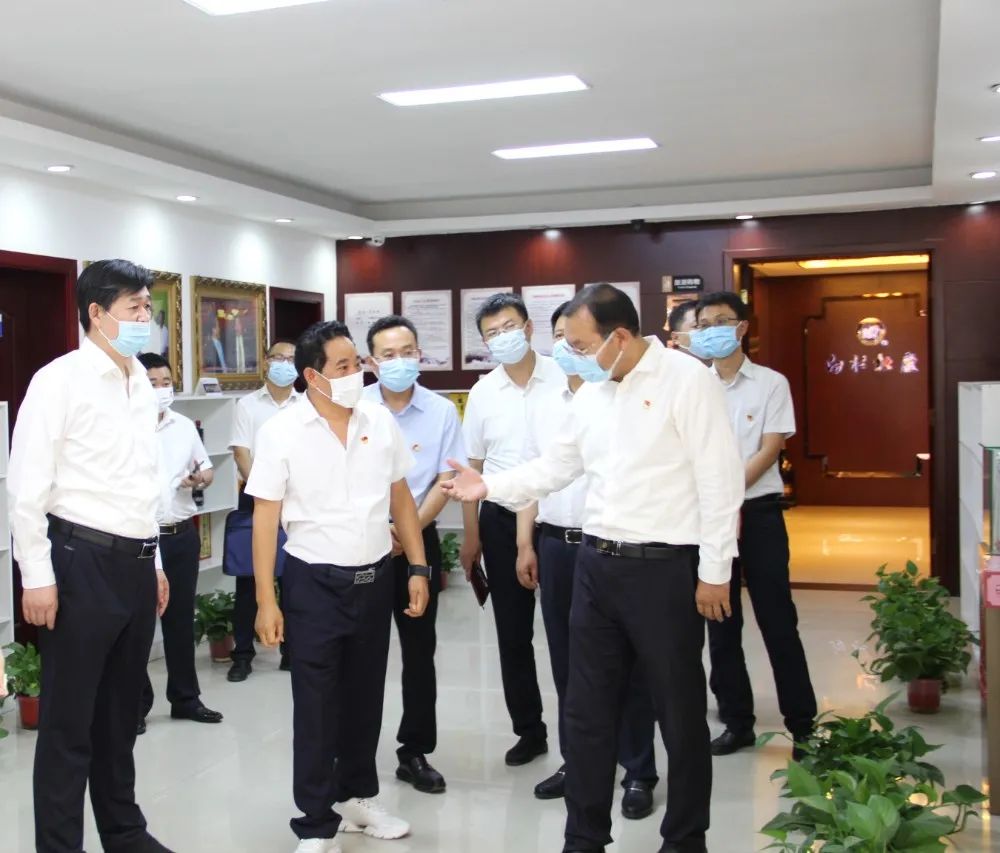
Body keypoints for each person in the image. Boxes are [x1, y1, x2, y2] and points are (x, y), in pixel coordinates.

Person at [443, 283, 744, 853]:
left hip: (663, 569)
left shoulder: (687, 380)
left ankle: (684, 839)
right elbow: (557, 466)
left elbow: (720, 481)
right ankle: (583, 837)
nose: (571, 355)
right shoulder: (592, 393)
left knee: (678, 713)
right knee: (586, 710)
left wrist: (715, 572)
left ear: (620, 337)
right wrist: (490, 486)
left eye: (580, 344)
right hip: (595, 566)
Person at [8, 259, 173, 853]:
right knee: (68, 725)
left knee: (120, 716)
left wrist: (155, 561)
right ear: (96, 313)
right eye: (134, 307)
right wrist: (37, 576)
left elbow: (141, 481)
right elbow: (26, 487)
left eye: (147, 307)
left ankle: (124, 833)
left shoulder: (139, 380)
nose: (144, 317)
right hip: (80, 563)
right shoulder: (59, 380)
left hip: (135, 563)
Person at [247, 320, 430, 853]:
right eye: (344, 366)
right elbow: (265, 519)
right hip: (314, 583)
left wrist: (418, 567)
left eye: (357, 363)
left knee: (365, 697)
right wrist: (266, 600)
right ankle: (314, 820)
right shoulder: (281, 431)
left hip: (374, 579)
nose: (356, 374)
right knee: (316, 703)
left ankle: (356, 798)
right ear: (313, 376)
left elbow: (401, 497)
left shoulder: (377, 419)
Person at [521, 302, 659, 819]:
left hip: (610, 546)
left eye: (575, 339)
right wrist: (525, 542)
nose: (567, 348)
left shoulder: (623, 395)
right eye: (559, 338)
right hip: (556, 543)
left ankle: (639, 769)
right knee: (566, 662)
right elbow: (534, 475)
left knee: (628, 664)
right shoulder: (546, 402)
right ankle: (578, 762)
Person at [691, 291, 816, 757]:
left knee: (778, 621)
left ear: (742, 328)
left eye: (721, 321)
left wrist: (725, 489)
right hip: (708, 520)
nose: (712, 331)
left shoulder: (770, 383)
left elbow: (771, 448)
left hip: (758, 513)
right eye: (704, 324)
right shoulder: (693, 385)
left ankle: (803, 726)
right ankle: (736, 721)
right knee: (720, 624)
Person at [362, 315, 466, 794]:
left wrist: (407, 531)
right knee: (361, 653)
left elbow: (447, 481)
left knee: (419, 652)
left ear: (420, 355)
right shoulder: (355, 407)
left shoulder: (441, 411)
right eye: (388, 355)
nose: (399, 361)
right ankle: (355, 753)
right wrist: (381, 530)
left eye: (407, 352)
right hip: (362, 546)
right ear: (371, 361)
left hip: (418, 542)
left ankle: (414, 751)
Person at [460, 292, 563, 766]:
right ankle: (529, 730)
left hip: (558, 520)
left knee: (571, 634)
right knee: (513, 634)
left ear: (528, 328)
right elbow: (473, 466)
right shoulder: (483, 392)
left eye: (509, 327)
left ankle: (586, 737)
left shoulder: (563, 377)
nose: (502, 337)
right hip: (500, 518)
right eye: (492, 333)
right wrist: (472, 536)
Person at [137, 352, 223, 733]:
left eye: (166, 382)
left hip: (181, 535)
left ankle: (185, 698)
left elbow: (206, 468)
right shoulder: (127, 426)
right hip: (142, 540)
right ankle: (136, 705)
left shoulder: (184, 426)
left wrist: (201, 478)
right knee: (139, 624)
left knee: (180, 620)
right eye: (152, 383)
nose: (161, 389)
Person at [227, 340, 300, 682]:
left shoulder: (307, 405)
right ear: (266, 362)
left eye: (292, 359)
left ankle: (291, 651)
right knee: (249, 580)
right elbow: (241, 453)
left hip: (297, 500)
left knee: (294, 579)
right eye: (278, 357)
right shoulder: (248, 405)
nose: (285, 364)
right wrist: (265, 491)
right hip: (257, 499)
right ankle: (242, 654)